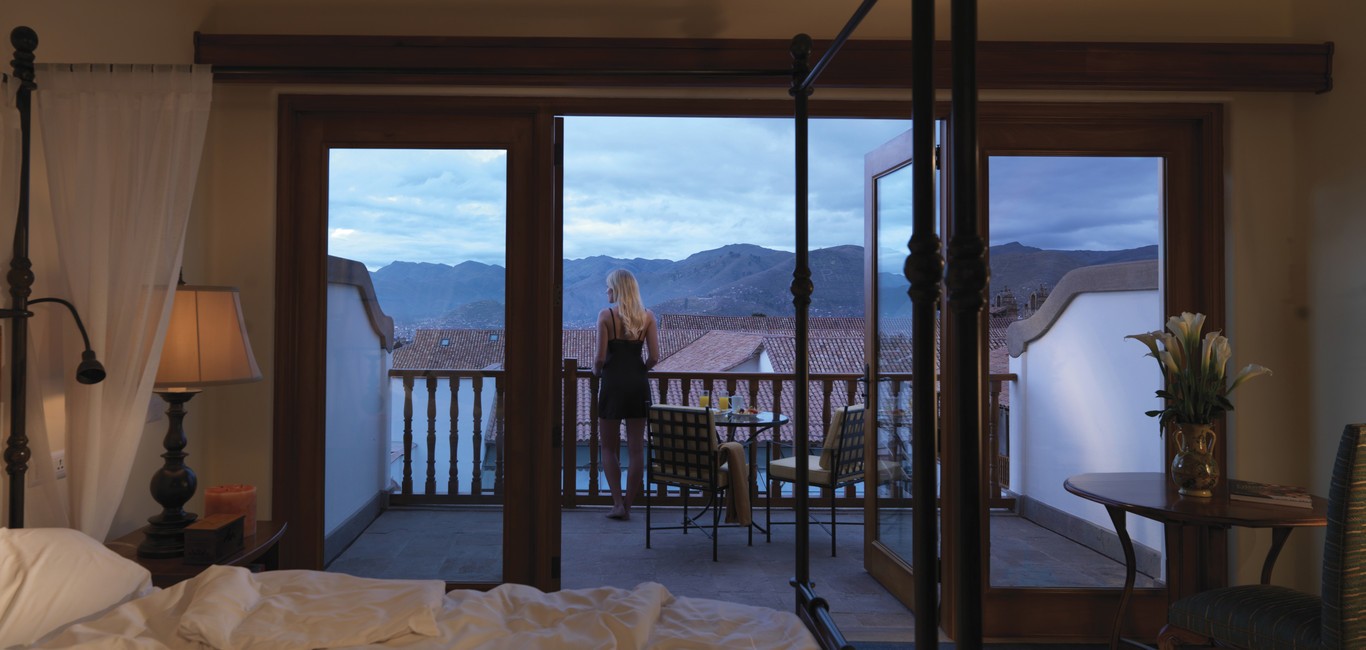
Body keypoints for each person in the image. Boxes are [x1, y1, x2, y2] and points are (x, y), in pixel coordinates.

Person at [593, 268, 660, 521]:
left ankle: (618, 504)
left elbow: (599, 359)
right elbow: (654, 357)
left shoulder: (606, 316)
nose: (606, 291)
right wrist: (640, 370)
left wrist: (595, 372)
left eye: (609, 286)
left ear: (618, 289)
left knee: (608, 447)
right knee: (636, 449)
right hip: (637, 384)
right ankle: (629, 505)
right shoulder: (648, 316)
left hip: (612, 384)